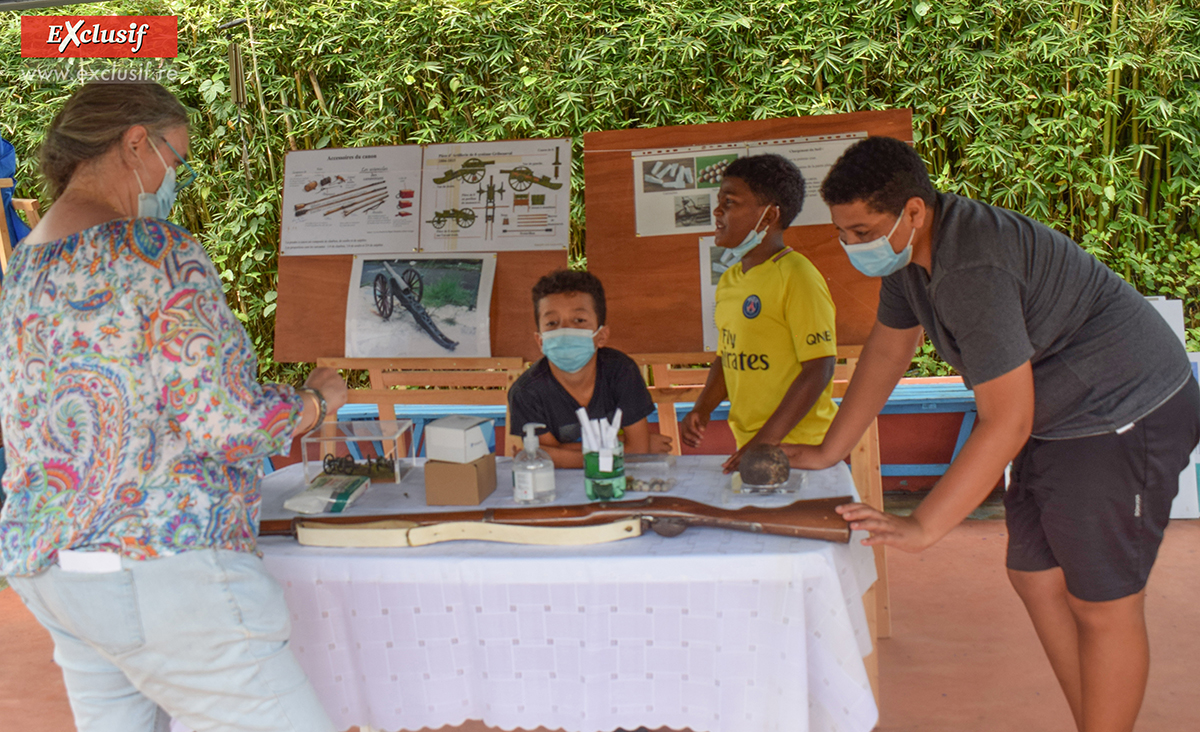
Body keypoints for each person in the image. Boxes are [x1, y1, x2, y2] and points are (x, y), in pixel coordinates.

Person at [789, 135, 1199, 732]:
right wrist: (831, 447)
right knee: (1034, 576)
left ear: (913, 212)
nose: (854, 245)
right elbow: (888, 349)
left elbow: (1007, 419)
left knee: (1102, 604)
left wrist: (923, 526)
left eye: (864, 231)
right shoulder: (909, 259)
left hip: (1121, 412)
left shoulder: (970, 266)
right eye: (843, 233)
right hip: (1061, 417)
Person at [0, 81, 347, 732]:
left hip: (52, 562)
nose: (175, 179)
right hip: (159, 563)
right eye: (176, 159)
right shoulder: (156, 251)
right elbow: (227, 420)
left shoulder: (25, 266)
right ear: (135, 144)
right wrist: (312, 400)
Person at [680, 154, 838, 473]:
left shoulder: (798, 276)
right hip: (751, 444)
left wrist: (765, 441)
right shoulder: (730, 280)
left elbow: (819, 367)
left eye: (730, 202)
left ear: (767, 217)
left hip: (800, 448)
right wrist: (703, 407)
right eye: (718, 202)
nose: (717, 212)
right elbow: (728, 355)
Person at [508, 269, 667, 468]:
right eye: (552, 323)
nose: (565, 330)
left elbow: (639, 451)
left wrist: (561, 454)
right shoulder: (526, 392)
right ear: (540, 341)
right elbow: (547, 459)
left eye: (579, 321)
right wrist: (621, 446)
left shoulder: (621, 371)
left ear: (601, 336)